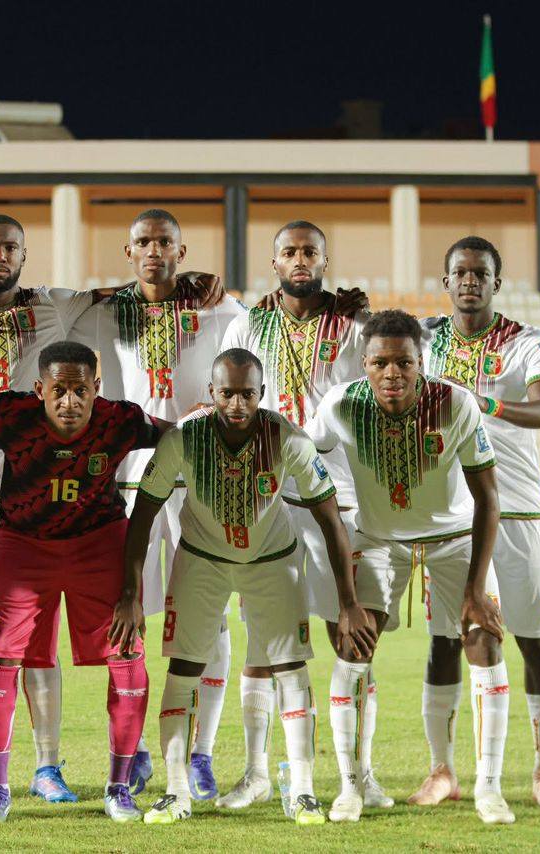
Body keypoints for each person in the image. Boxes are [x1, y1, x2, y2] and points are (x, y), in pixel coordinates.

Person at [128, 348, 375, 825]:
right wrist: (129, 593)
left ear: (262, 393)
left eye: (247, 394)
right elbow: (143, 513)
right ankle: (176, 792)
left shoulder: (288, 438)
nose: (237, 404)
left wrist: (348, 602)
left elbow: (331, 520)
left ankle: (302, 790)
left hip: (271, 561)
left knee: (290, 669)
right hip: (202, 560)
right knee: (184, 668)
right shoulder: (184, 437)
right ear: (212, 392)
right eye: (227, 394)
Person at [0, 340, 168, 823]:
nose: (70, 402)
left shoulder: (120, 420)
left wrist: (215, 420)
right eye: (59, 390)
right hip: (24, 550)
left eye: (81, 390)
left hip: (98, 547)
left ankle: (119, 788)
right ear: (39, 389)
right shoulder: (12, 416)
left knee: (128, 658)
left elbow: (176, 436)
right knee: (0, 660)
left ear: (96, 388)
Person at [305, 310, 511, 824]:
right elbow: (307, 458)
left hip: (454, 539)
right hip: (379, 540)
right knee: (353, 646)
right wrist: (346, 599)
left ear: (422, 362)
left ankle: (489, 789)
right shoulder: (340, 405)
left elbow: (489, 498)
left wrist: (475, 589)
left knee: (484, 640)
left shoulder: (455, 404)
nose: (392, 373)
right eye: (380, 362)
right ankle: (351, 787)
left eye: (404, 362)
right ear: (364, 363)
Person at [217, 220, 392, 812]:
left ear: (324, 259)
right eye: (289, 252)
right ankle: (257, 772)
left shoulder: (354, 324)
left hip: (343, 495)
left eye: (309, 252)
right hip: (269, 496)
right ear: (274, 263)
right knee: (265, 640)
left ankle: (359, 773)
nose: (299, 260)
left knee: (353, 635)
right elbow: (229, 400)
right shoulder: (248, 324)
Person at [73, 208, 246, 798]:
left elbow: (251, 375)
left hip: (200, 480)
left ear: (181, 251)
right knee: (127, 614)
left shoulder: (221, 310)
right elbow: (43, 312)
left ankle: (201, 753)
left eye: (164, 242)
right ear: (128, 252)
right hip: (125, 482)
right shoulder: (103, 312)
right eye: (143, 242)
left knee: (209, 615)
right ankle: (135, 749)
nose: (154, 250)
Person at [415, 236, 540, 810]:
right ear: (446, 281)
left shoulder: (527, 342)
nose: (470, 281)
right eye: (460, 272)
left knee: (536, 643)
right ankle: (443, 771)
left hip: (520, 509)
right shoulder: (425, 339)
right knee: (446, 641)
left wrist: (487, 405)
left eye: (480, 273)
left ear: (496, 283)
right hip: (451, 515)